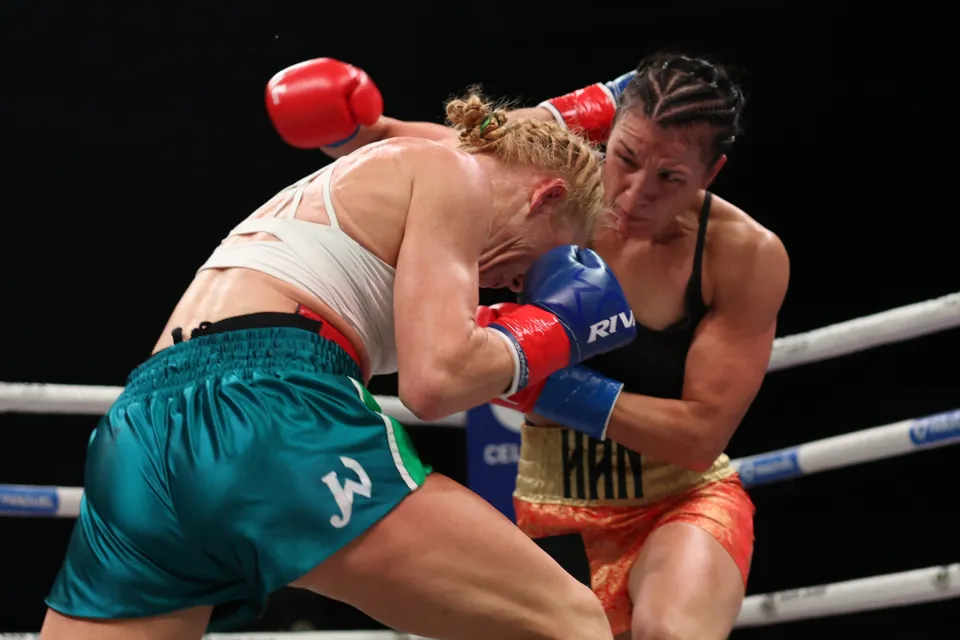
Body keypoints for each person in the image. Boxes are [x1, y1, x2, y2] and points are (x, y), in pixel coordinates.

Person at [40, 62, 639, 640]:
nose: (518, 287)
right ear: (545, 196)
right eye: (545, 260)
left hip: (141, 428)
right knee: (569, 621)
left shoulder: (378, 185)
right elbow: (435, 384)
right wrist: (557, 327)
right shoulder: (458, 175)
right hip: (269, 408)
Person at [315, 52, 791, 640]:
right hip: (547, 509)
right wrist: (351, 128)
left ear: (710, 174)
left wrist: (531, 376)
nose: (635, 194)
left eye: (670, 178)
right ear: (608, 136)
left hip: (677, 503)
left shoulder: (743, 255)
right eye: (626, 158)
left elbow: (699, 437)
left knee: (671, 633)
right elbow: (441, 158)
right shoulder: (557, 197)